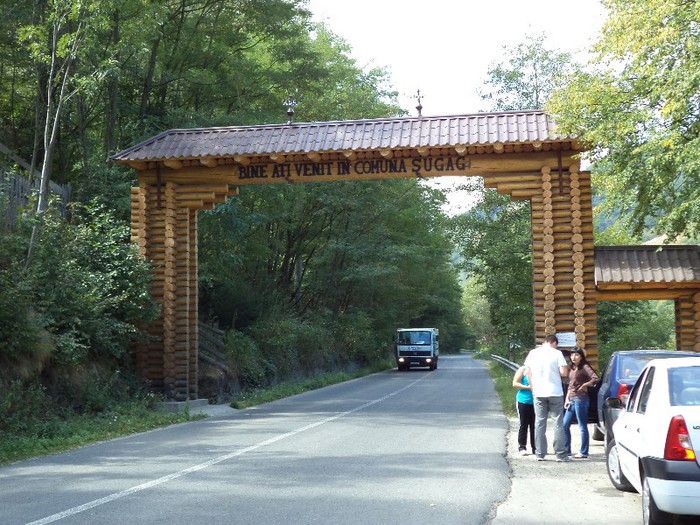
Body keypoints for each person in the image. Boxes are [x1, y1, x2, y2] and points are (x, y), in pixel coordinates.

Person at [524, 334, 569, 461]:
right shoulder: (557, 353)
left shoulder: (533, 353)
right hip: (555, 392)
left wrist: (533, 388)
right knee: (557, 423)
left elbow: (528, 373)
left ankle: (540, 453)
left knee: (539, 423)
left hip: (539, 392)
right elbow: (563, 373)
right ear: (554, 342)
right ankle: (560, 454)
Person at [563, 347, 599, 459]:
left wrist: (585, 385)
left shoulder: (585, 367)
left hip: (581, 399)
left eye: (576, 355)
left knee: (582, 426)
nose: (574, 357)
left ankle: (583, 452)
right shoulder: (572, 368)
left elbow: (595, 378)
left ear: (581, 356)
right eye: (572, 355)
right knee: (565, 425)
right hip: (572, 400)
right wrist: (567, 399)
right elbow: (570, 384)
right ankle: (566, 450)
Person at [512, 365, 536, 456]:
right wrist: (529, 387)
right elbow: (515, 383)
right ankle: (522, 447)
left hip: (537, 401)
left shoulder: (541, 369)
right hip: (523, 400)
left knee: (535, 425)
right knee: (523, 424)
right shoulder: (523, 369)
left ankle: (536, 447)